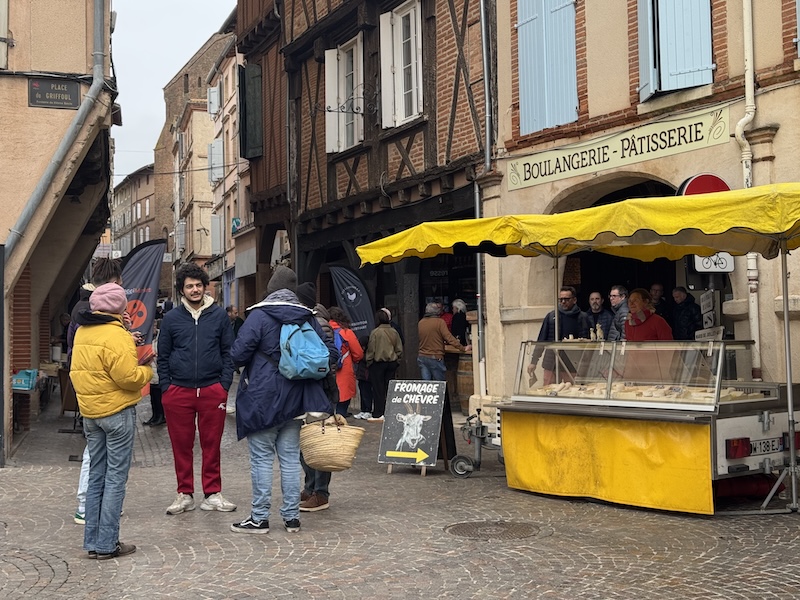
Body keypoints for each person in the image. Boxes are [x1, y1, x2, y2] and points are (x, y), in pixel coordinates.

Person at [229, 266, 337, 532]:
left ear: (271, 288)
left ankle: (259, 517)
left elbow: (238, 354)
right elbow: (329, 353)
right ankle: (291, 518)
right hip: (297, 401)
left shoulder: (259, 316)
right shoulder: (307, 316)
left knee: (262, 459)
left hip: (262, 398)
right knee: (289, 459)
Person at [70, 283, 152, 559]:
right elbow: (127, 377)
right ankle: (107, 543)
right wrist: (146, 371)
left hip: (91, 413)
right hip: (116, 412)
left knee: (97, 476)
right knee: (116, 478)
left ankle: (92, 542)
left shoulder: (83, 331)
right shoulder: (116, 335)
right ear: (120, 308)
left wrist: (127, 337)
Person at [158, 263, 236, 516]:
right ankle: (185, 494)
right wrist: (167, 388)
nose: (195, 290)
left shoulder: (219, 316)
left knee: (211, 444)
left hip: (212, 389)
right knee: (181, 444)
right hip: (178, 391)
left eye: (198, 285)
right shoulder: (171, 319)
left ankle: (212, 494)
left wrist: (223, 386)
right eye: (190, 286)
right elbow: (163, 355)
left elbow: (228, 352)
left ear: (205, 287)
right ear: (182, 289)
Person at [67, 257, 131, 525]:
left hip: (89, 398)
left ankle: (92, 527)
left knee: (96, 466)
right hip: (110, 402)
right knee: (110, 471)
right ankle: (102, 530)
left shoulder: (83, 318)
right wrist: (146, 371)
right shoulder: (100, 319)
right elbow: (126, 375)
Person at [296, 281, 341, 512]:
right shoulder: (306, 321)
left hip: (321, 390)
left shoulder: (319, 324)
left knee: (320, 443)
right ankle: (311, 486)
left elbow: (330, 357)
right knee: (307, 442)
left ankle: (321, 492)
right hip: (311, 390)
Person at [417, 302, 472, 458]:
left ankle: (428, 412)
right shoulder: (439, 322)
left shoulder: (421, 322)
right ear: (437, 312)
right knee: (439, 389)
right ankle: (439, 412)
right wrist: (463, 347)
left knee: (427, 389)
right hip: (435, 357)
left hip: (422, 357)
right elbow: (449, 338)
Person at [526, 286, 589, 385]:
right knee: (548, 390)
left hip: (572, 362)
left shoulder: (583, 317)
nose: (563, 302)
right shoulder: (551, 316)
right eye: (561, 299)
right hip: (551, 361)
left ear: (574, 300)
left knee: (572, 391)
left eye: (566, 299)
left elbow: (587, 344)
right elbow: (541, 340)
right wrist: (534, 361)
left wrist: (585, 365)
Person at [366, 309, 404, 422]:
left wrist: (369, 362)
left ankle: (378, 412)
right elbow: (399, 349)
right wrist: (397, 361)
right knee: (390, 389)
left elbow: (371, 350)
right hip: (392, 363)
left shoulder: (375, 332)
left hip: (378, 364)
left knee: (378, 389)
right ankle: (390, 411)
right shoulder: (394, 331)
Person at [327, 307, 364, 417]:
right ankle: (340, 419)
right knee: (342, 400)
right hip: (343, 371)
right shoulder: (346, 332)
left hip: (326, 370)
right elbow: (358, 353)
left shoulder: (322, 329)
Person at [142, 328, 165, 426]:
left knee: (158, 397)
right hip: (151, 373)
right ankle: (154, 415)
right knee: (153, 397)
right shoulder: (147, 340)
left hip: (157, 372)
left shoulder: (159, 339)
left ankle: (161, 416)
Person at [352, 333, 374, 420]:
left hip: (366, 376)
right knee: (362, 393)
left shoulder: (368, 354)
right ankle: (363, 410)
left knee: (367, 393)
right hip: (361, 375)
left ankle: (368, 410)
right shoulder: (362, 353)